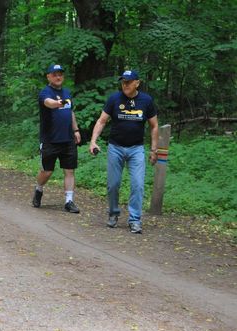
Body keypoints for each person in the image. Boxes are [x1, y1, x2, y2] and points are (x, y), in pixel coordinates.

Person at [89, 70, 158, 234]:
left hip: (137, 149)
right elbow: (101, 121)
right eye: (123, 82)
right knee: (113, 185)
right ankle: (113, 214)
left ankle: (135, 219)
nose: (125, 85)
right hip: (116, 148)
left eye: (128, 82)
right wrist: (93, 140)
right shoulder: (114, 99)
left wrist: (154, 150)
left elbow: (154, 126)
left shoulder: (146, 100)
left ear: (137, 83)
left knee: (138, 185)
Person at [32, 64, 81, 213]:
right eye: (54, 74)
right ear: (48, 76)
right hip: (50, 140)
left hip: (68, 139)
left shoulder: (67, 92)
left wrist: (76, 130)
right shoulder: (45, 92)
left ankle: (69, 201)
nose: (58, 77)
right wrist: (58, 103)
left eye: (60, 74)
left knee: (69, 170)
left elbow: (70, 112)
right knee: (47, 171)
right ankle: (39, 189)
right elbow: (48, 103)